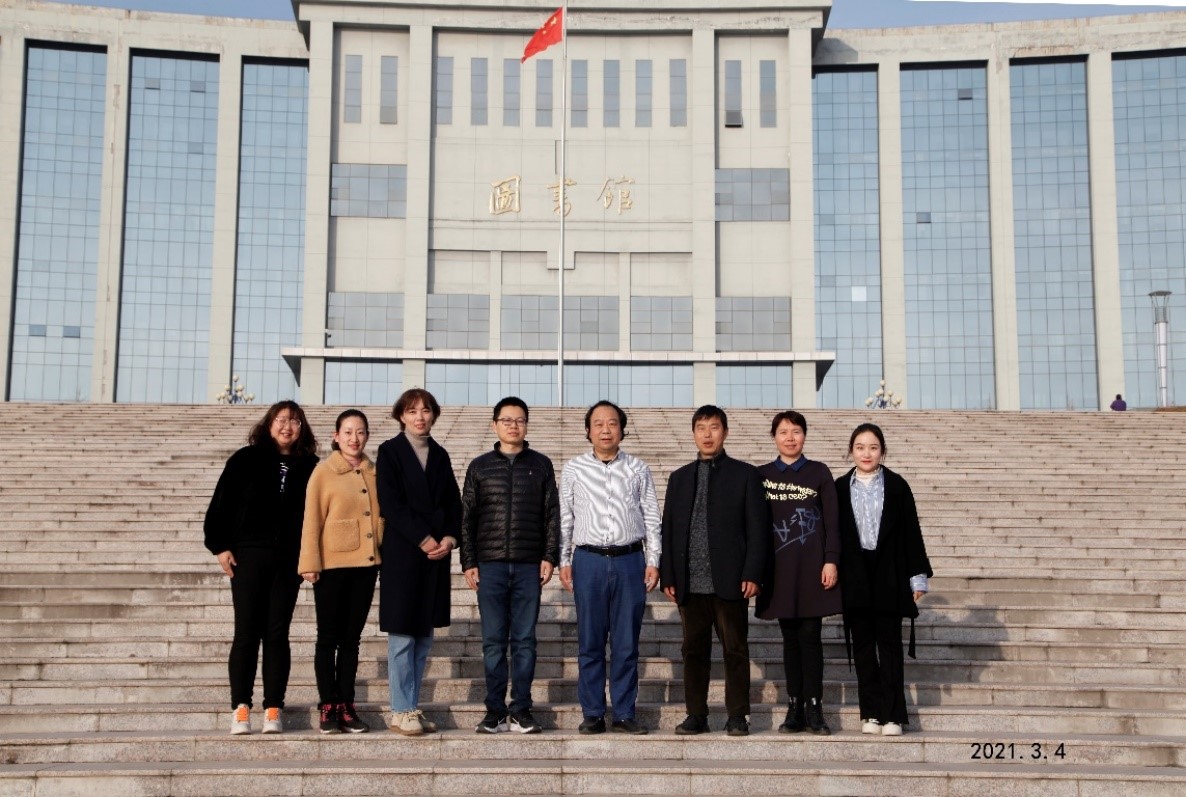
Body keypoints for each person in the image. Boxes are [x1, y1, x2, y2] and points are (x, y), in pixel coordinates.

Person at [204, 400, 318, 735]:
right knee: (246, 632)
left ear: (302, 428)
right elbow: (221, 503)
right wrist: (219, 545)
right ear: (269, 425)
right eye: (281, 420)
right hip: (249, 556)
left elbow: (317, 516)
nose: (287, 426)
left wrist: (310, 558)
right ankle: (241, 707)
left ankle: (273, 708)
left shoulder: (311, 466)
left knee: (277, 634)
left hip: (288, 560)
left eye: (294, 421)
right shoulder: (246, 459)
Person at [660, 405, 769, 737]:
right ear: (693, 433)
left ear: (725, 432)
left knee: (735, 649)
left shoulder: (746, 475)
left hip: (731, 579)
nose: (708, 434)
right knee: (693, 651)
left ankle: (737, 715)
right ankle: (696, 714)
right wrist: (669, 575)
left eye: (714, 427)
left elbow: (758, 530)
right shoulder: (679, 478)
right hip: (689, 581)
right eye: (701, 428)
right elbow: (668, 530)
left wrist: (753, 572)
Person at [558, 400, 662, 735]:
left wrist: (653, 560)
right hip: (588, 560)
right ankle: (592, 712)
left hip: (630, 561)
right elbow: (565, 518)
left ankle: (624, 712)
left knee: (626, 643)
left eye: (612, 423)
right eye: (599, 424)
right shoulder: (574, 469)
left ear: (622, 429)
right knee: (590, 641)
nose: (606, 430)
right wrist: (564, 559)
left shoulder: (638, 468)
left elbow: (651, 517)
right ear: (588, 431)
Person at [460, 396, 560, 734]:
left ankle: (521, 709)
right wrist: (469, 561)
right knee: (492, 641)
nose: (513, 426)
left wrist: (549, 556)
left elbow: (552, 515)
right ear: (495, 425)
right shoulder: (479, 467)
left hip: (529, 566)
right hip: (489, 566)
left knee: (525, 641)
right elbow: (467, 518)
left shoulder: (541, 465)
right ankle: (494, 710)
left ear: (526, 425)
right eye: (507, 420)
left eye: (519, 420)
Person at [836, 422, 933, 737]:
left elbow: (910, 533)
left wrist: (917, 578)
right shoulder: (839, 488)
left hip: (888, 574)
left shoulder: (897, 486)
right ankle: (871, 713)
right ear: (851, 451)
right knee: (863, 648)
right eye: (860, 447)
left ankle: (893, 715)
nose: (866, 453)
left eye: (873, 447)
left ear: (882, 451)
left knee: (890, 647)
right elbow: (832, 536)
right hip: (855, 575)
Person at [376, 388, 462, 736]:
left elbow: (453, 503)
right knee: (402, 637)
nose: (420, 417)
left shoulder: (440, 454)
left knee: (423, 638)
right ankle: (400, 709)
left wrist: (449, 539)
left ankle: (410, 706)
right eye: (412, 411)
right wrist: (423, 537)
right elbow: (390, 503)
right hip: (403, 553)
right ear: (401, 416)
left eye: (425, 410)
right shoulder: (390, 451)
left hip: (435, 557)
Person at [754, 410, 841, 735]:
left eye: (796, 431)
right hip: (779, 570)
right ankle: (794, 707)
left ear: (804, 435)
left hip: (812, 568)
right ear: (774, 437)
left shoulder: (819, 472)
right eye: (783, 432)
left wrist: (831, 560)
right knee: (789, 639)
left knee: (811, 637)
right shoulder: (762, 476)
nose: (790, 438)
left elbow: (832, 521)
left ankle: (815, 708)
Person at [298, 409, 381, 734]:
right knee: (327, 638)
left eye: (360, 432)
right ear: (336, 436)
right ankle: (328, 705)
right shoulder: (324, 471)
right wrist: (309, 562)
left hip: (366, 566)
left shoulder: (374, 472)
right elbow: (312, 519)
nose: (354, 438)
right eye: (347, 432)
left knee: (351, 640)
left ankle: (346, 704)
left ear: (367, 436)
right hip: (332, 566)